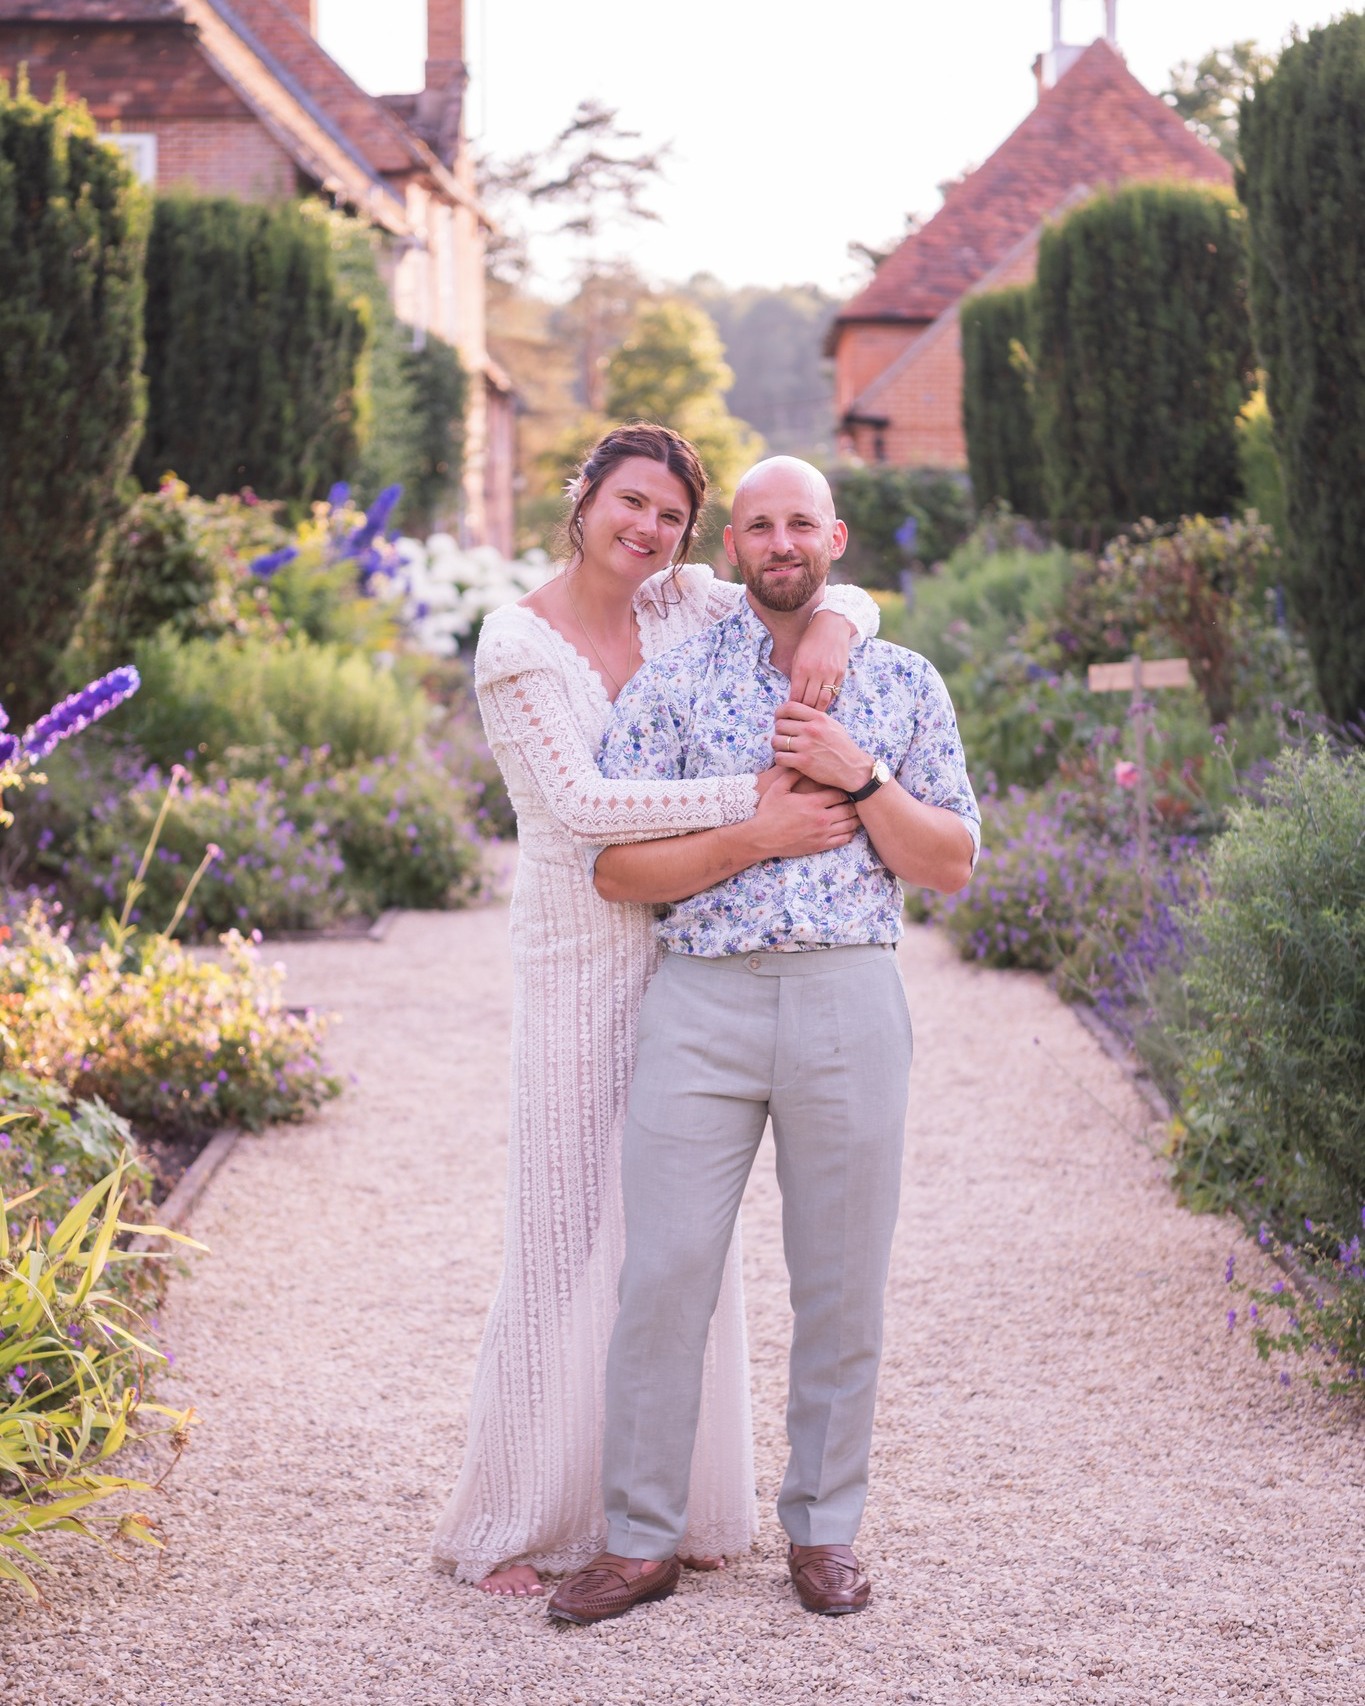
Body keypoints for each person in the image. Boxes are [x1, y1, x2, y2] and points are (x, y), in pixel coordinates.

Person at [431, 426, 882, 1595]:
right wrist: (760, 810)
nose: (647, 528)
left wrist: (837, 625)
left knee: (681, 1245)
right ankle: (519, 1520)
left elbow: (813, 580)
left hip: (693, 956)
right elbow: (585, 805)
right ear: (583, 499)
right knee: (566, 1231)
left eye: (671, 515)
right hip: (584, 955)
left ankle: (672, 1506)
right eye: (630, 501)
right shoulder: (517, 642)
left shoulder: (684, 603)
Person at [545, 456, 980, 1625]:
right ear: (730, 547)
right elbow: (614, 867)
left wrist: (861, 775)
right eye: (758, 525)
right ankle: (639, 1539)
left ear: (835, 538)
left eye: (801, 522)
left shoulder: (903, 680)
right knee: (664, 1272)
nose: (781, 541)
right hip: (703, 1001)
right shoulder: (674, 683)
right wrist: (757, 831)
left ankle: (824, 1529)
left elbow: (949, 860)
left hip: (850, 997)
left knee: (842, 1283)